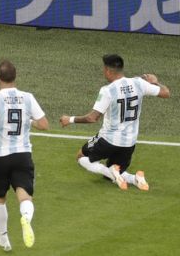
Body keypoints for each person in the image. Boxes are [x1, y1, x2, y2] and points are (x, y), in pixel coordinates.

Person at [60, 54, 170, 190]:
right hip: (129, 143)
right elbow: (166, 93)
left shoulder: (108, 90)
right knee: (117, 171)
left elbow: (92, 118)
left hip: (108, 140)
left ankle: (111, 173)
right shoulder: (139, 83)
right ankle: (135, 179)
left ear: (107, 70)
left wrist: (69, 119)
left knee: (81, 157)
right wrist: (154, 82)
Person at [0, 60, 49, 251]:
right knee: (24, 196)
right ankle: (26, 218)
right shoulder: (28, 97)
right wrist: (28, 121)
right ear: (16, 77)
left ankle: (4, 239)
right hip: (23, 155)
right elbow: (44, 124)